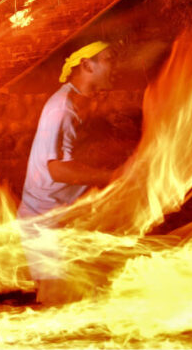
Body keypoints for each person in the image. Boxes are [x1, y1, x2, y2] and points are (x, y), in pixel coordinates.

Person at [17, 41, 123, 305]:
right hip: (45, 222)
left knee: (76, 303)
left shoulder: (80, 103)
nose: (116, 66)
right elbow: (58, 169)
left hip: (66, 219)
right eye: (109, 59)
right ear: (87, 65)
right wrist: (113, 177)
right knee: (56, 305)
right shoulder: (62, 109)